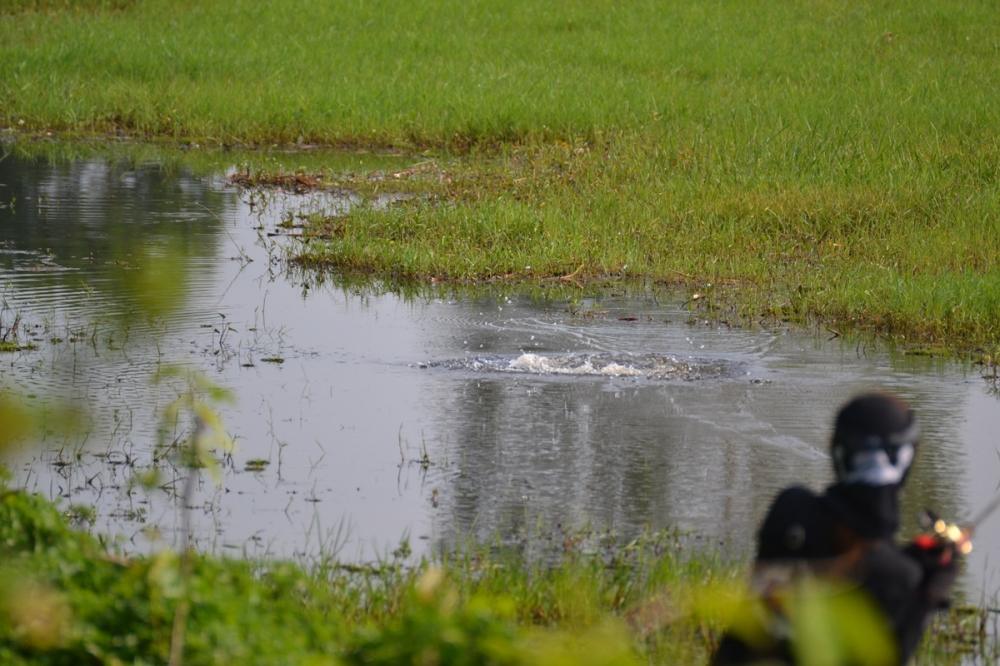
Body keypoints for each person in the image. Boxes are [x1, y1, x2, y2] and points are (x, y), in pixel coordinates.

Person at [712, 392, 961, 665]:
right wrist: (926, 596)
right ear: (907, 461)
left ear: (836, 450)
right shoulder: (899, 576)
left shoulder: (789, 511)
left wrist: (904, 566)